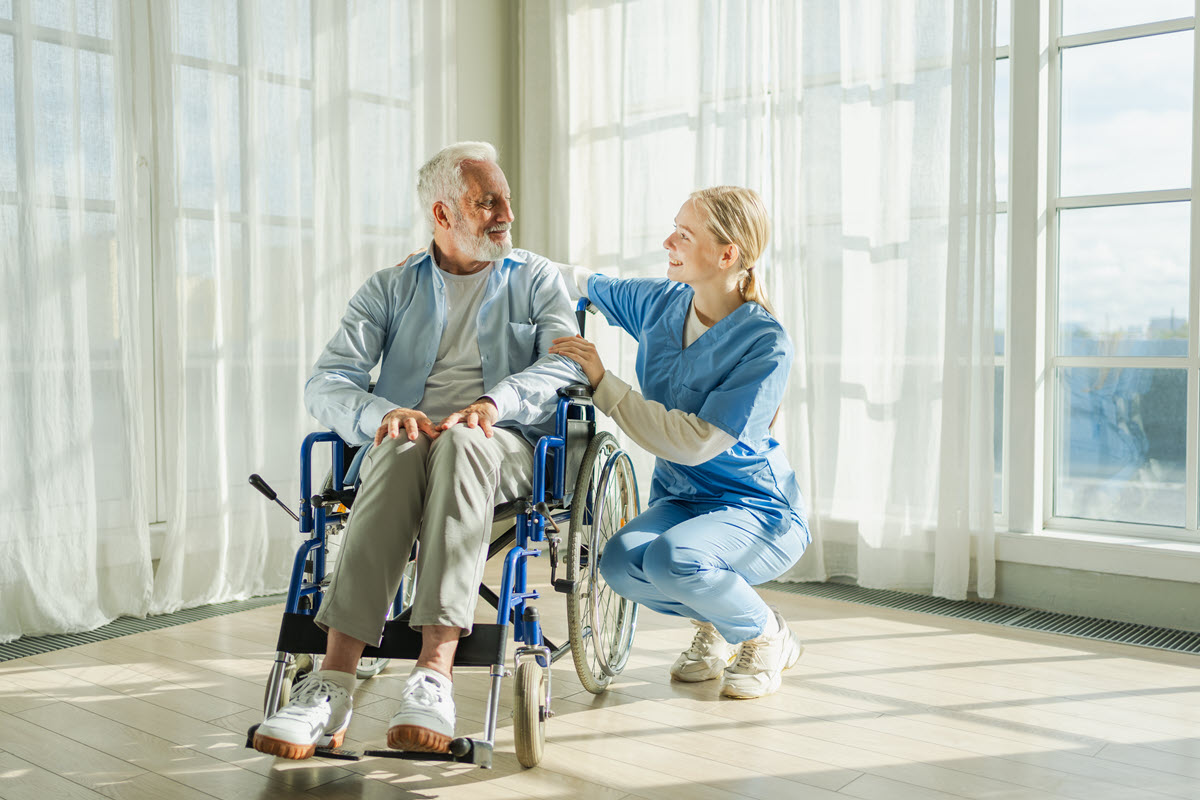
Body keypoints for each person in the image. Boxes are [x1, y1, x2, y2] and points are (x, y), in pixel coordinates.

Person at [252, 141, 586, 760]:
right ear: (443, 214)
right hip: (408, 446)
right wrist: (385, 415)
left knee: (462, 440)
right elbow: (325, 381)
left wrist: (495, 404)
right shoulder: (388, 288)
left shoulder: (535, 278)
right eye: (487, 203)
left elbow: (566, 367)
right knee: (400, 447)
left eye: (506, 199)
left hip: (500, 443)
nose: (505, 214)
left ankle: (433, 674)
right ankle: (333, 683)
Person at [549, 186, 809, 699]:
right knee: (620, 563)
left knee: (673, 559)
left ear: (726, 253)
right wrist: (450, 262)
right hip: (684, 502)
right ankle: (717, 624)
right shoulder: (661, 303)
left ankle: (765, 633)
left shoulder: (765, 344)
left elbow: (694, 444)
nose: (668, 241)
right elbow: (571, 279)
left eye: (684, 235)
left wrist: (605, 384)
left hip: (755, 510)